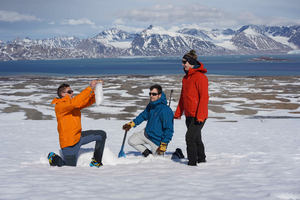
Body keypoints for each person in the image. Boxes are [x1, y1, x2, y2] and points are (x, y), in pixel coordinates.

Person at [48, 80, 106, 167]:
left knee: (101, 135)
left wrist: (97, 89)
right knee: (69, 169)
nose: (72, 93)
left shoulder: (73, 105)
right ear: (63, 94)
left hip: (78, 137)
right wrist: (89, 87)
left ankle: (96, 161)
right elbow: (74, 102)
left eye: (72, 91)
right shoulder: (60, 106)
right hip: (69, 143)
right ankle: (54, 158)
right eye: (70, 91)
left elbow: (88, 101)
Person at [174, 50, 209, 166]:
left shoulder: (200, 77)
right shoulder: (185, 78)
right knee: (196, 139)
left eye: (184, 62)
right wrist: (178, 112)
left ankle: (192, 163)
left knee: (189, 138)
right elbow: (183, 97)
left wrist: (200, 116)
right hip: (189, 115)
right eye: (182, 62)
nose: (183, 64)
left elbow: (204, 98)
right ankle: (202, 160)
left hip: (199, 115)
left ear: (191, 62)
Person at [122, 84, 174, 157]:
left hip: (157, 140)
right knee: (131, 141)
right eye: (150, 93)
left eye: (154, 94)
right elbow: (143, 115)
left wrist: (164, 143)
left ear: (159, 95)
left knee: (159, 161)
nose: (151, 96)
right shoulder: (151, 105)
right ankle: (148, 155)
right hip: (146, 134)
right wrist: (132, 124)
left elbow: (169, 129)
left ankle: (176, 154)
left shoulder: (166, 110)